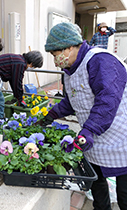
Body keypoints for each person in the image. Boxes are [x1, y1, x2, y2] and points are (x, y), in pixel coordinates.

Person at [43, 22, 127, 210]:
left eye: (57, 55)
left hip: (121, 136)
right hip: (96, 138)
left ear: (71, 46)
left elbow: (107, 100)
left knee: (125, 194)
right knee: (97, 184)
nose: (56, 61)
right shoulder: (70, 71)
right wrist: (51, 115)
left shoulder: (100, 61)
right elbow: (73, 100)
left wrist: (89, 129)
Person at [0, 51, 43, 132]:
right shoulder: (20, 63)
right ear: (32, 63)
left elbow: (13, 80)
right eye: (34, 67)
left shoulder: (19, 60)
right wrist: (20, 99)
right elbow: (17, 83)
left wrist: (18, 98)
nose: (32, 68)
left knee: (0, 104)